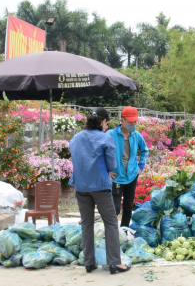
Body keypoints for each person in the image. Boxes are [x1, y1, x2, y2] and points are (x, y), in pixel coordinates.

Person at [69, 107, 130, 275]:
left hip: (81, 186)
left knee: (86, 223)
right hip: (100, 186)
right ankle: (114, 263)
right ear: (103, 122)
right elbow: (112, 166)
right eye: (106, 122)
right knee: (110, 222)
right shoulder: (105, 138)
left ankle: (89, 263)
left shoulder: (75, 138)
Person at [109, 106, 150, 228]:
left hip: (132, 176)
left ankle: (124, 232)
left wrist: (140, 167)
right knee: (114, 209)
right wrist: (107, 170)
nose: (133, 124)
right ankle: (112, 233)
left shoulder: (136, 135)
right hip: (116, 177)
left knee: (128, 207)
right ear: (122, 120)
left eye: (135, 122)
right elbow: (101, 153)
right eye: (130, 122)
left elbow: (145, 151)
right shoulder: (110, 135)